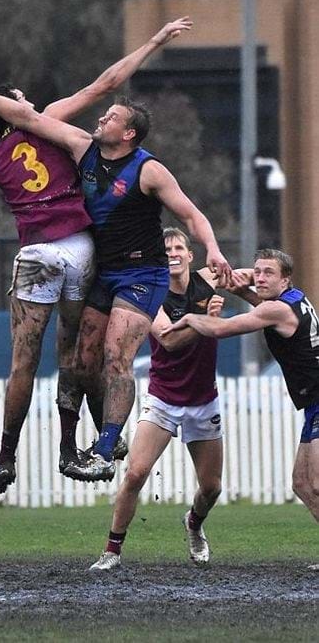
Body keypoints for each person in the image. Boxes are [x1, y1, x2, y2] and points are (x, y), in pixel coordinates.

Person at [0, 17, 193, 491]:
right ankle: (75, 447)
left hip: (36, 255)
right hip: (80, 248)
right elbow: (106, 83)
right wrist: (154, 40)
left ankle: (5, 458)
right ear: (14, 107)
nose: (27, 101)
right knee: (78, 352)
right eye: (20, 99)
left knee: (23, 363)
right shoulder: (49, 122)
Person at [0, 82, 232, 484]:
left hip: (141, 275)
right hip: (103, 271)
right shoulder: (83, 148)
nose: (101, 118)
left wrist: (213, 248)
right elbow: (27, 117)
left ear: (128, 133)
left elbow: (191, 214)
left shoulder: (148, 170)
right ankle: (96, 441)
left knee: (116, 356)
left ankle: (104, 450)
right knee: (83, 360)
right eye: (105, 113)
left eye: (111, 117)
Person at [90, 227, 235, 571]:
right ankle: (112, 551)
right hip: (163, 399)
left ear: (190, 255)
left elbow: (247, 278)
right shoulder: (151, 295)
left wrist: (271, 300)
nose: (172, 253)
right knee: (135, 473)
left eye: (178, 248)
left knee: (212, 488)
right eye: (166, 249)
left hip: (203, 400)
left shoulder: (207, 280)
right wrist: (206, 321)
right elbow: (168, 340)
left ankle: (194, 523)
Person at [162, 248, 319, 565]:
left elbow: (222, 329)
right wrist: (240, 285)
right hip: (312, 403)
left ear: (285, 280)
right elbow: (256, 295)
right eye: (257, 271)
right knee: (302, 483)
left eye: (268, 273)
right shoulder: (291, 299)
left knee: (316, 482)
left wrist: (190, 317)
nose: (260, 277)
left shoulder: (277, 309)